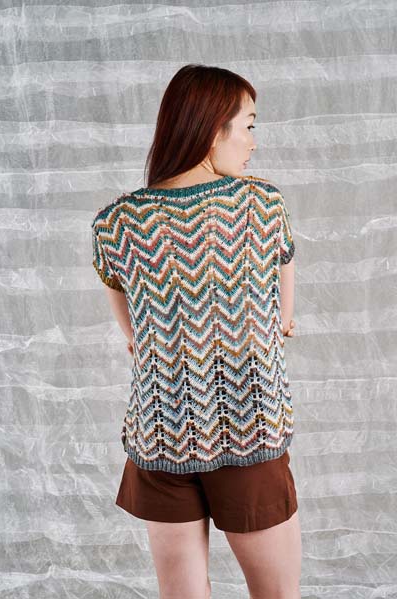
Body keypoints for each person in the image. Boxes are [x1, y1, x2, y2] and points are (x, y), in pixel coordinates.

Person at [91, 64, 301, 599]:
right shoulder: (259, 203)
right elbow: (283, 289)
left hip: (161, 432)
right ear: (212, 130)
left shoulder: (117, 222)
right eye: (248, 125)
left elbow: (130, 325)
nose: (253, 142)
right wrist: (275, 319)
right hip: (246, 426)